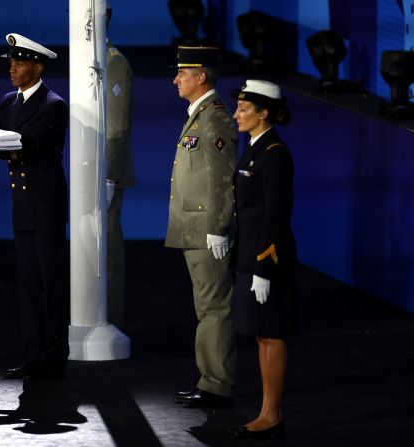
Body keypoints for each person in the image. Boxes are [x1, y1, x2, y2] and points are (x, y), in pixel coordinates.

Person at [0, 33, 70, 381]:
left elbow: (31, 144)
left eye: (19, 64)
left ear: (37, 67)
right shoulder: (9, 102)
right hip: (22, 203)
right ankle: (32, 353)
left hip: (45, 203)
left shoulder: (53, 105)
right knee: (27, 280)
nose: (12, 69)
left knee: (50, 279)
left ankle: (53, 355)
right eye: (11, 63)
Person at [165, 46, 238, 408]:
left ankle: (217, 385)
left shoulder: (215, 118)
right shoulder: (200, 115)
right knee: (206, 307)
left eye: (183, 73)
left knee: (213, 307)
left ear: (201, 77)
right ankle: (210, 380)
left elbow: (222, 178)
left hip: (207, 229)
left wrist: (219, 226)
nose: (176, 79)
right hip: (194, 228)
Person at [230, 80, 296, 439]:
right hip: (248, 257)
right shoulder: (255, 148)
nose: (237, 114)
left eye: (244, 108)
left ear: (264, 112)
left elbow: (276, 216)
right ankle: (267, 411)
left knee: (271, 335)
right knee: (260, 335)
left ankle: (272, 414)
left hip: (266, 261)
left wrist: (264, 267)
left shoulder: (275, 154)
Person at [105, 2, 136, 329]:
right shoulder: (96, 62)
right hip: (93, 170)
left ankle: (111, 319)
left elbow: (117, 128)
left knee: (108, 247)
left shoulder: (114, 64)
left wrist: (109, 176)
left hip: (105, 172)